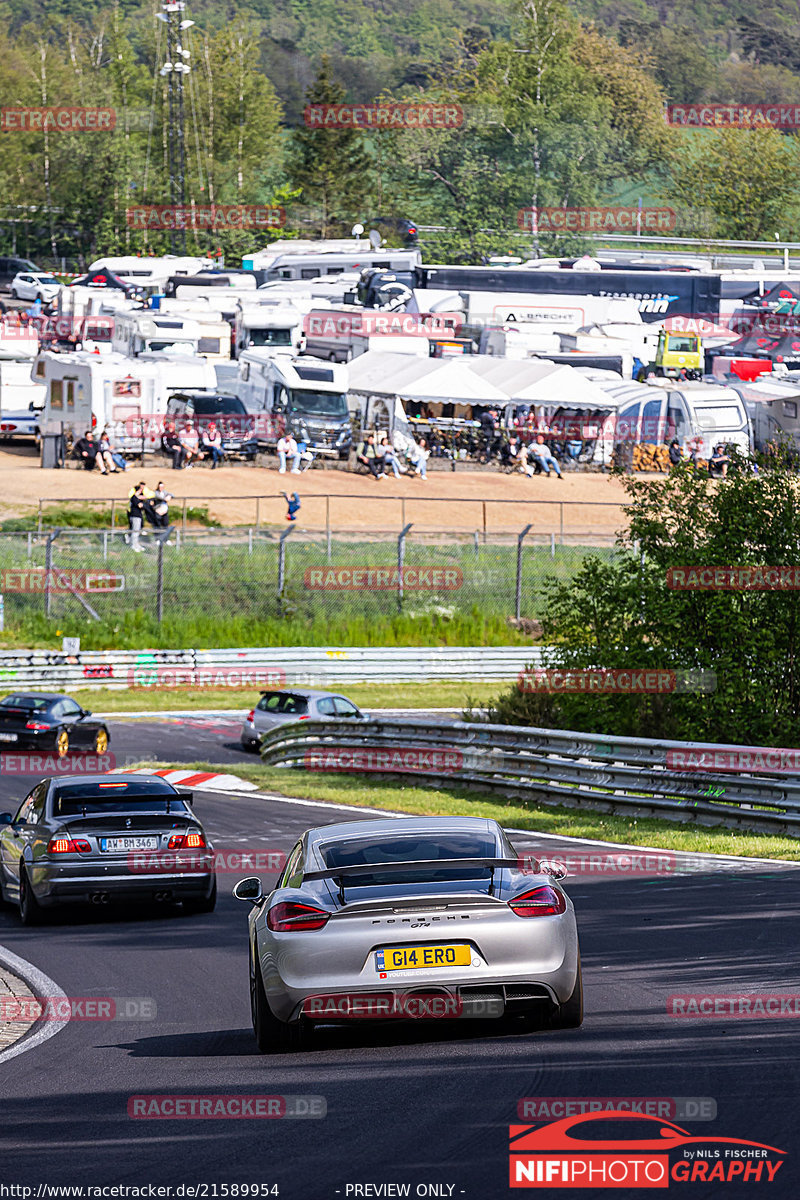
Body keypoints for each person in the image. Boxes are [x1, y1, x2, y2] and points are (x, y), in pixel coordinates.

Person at [127, 482, 147, 552]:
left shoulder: (137, 498)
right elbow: (140, 505)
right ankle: (133, 545)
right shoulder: (134, 497)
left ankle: (137, 544)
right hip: (135, 516)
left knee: (137, 531)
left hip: (138, 516)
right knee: (135, 531)